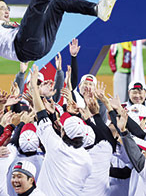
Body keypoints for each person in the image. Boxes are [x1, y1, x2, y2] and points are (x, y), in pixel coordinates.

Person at [30, 64, 92, 195]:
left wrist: (34, 88)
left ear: (63, 132)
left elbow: (40, 113)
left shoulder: (55, 145)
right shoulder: (86, 158)